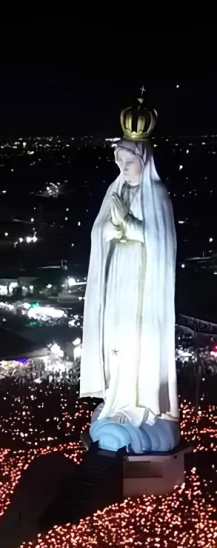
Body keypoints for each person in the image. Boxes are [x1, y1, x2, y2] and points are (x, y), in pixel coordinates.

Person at [80, 103, 179, 451]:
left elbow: (160, 242)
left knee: (137, 340)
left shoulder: (158, 196)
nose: (124, 168)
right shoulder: (116, 192)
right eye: (120, 162)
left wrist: (129, 225)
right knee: (115, 340)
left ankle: (137, 405)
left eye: (130, 162)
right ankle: (116, 399)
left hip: (141, 281)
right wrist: (111, 225)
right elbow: (99, 233)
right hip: (116, 275)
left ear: (144, 160)